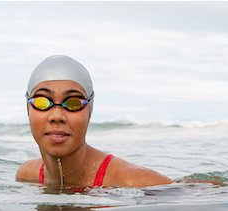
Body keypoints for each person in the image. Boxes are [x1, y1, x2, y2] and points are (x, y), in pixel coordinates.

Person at [16, 55, 173, 189]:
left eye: (73, 103)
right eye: (42, 102)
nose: (57, 116)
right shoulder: (27, 176)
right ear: (27, 109)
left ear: (90, 111)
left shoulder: (136, 183)